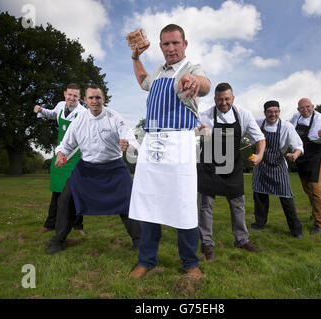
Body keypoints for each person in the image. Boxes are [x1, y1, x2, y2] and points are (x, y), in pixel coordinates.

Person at [127, 24, 211, 279]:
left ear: (185, 44)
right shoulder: (158, 72)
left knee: (184, 203)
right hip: (152, 143)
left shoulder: (191, 69)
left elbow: (205, 85)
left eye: (175, 43)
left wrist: (195, 81)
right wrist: (135, 56)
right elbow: (143, 82)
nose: (171, 48)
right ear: (161, 46)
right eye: (165, 44)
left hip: (179, 144)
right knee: (148, 202)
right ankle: (146, 260)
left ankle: (190, 263)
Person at [45, 84, 141, 254]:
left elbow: (131, 139)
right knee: (66, 198)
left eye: (98, 97)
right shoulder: (79, 121)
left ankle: (140, 242)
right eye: (91, 98)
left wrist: (129, 145)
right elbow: (66, 144)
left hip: (114, 167)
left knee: (129, 201)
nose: (95, 101)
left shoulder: (114, 117)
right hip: (86, 168)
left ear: (103, 99)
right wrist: (60, 154)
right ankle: (58, 241)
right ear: (85, 100)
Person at [196, 83, 266, 260]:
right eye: (220, 99)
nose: (223, 102)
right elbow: (195, 136)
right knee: (206, 206)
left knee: (238, 205)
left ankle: (242, 240)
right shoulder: (205, 115)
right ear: (215, 99)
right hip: (209, 167)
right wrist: (200, 132)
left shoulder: (243, 115)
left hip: (232, 167)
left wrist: (259, 156)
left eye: (227, 99)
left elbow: (260, 138)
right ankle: (207, 243)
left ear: (233, 99)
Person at [34, 83, 85, 235]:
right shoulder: (60, 105)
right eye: (69, 95)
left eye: (75, 96)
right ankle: (50, 223)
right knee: (56, 191)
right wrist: (41, 110)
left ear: (79, 97)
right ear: (65, 94)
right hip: (60, 153)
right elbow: (52, 114)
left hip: (75, 156)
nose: (72, 98)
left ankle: (78, 226)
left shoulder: (83, 113)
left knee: (75, 191)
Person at [251, 100, 304, 238]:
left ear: (279, 112)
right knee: (259, 196)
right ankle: (259, 223)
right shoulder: (257, 123)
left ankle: (296, 230)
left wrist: (295, 154)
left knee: (286, 197)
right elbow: (244, 129)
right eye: (269, 112)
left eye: (275, 111)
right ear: (265, 113)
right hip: (261, 165)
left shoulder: (287, 127)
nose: (273, 114)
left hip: (278, 166)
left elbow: (298, 145)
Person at [290, 98, 321, 235]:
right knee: (307, 188)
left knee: (316, 189)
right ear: (298, 109)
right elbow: (287, 129)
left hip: (317, 157)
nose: (305, 110)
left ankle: (320, 224)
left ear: (313, 106)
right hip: (302, 155)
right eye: (301, 108)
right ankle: (314, 214)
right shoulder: (295, 118)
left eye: (308, 107)